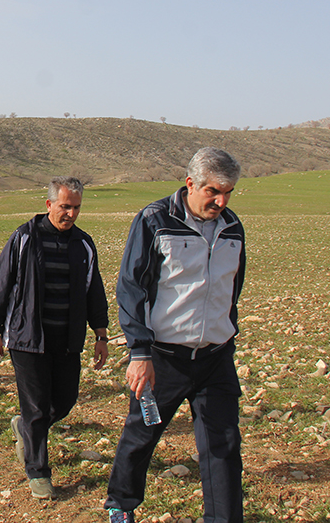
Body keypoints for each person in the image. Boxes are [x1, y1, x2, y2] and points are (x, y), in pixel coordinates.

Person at [105, 148, 245, 523]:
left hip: (215, 357)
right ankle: (120, 506)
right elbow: (132, 288)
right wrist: (139, 352)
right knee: (142, 436)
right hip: (164, 358)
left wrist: (224, 335)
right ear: (190, 184)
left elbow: (232, 289)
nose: (221, 200)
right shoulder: (155, 220)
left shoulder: (233, 228)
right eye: (213, 191)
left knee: (223, 446)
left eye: (228, 191)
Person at [0, 177, 109, 500]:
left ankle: (24, 427)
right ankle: (38, 472)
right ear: (49, 204)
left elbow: (94, 289)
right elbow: (1, 284)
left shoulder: (84, 244)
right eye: (65, 206)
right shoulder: (24, 238)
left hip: (67, 338)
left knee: (64, 401)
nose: (71, 213)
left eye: (76, 207)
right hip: (27, 337)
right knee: (36, 408)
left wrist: (101, 333)